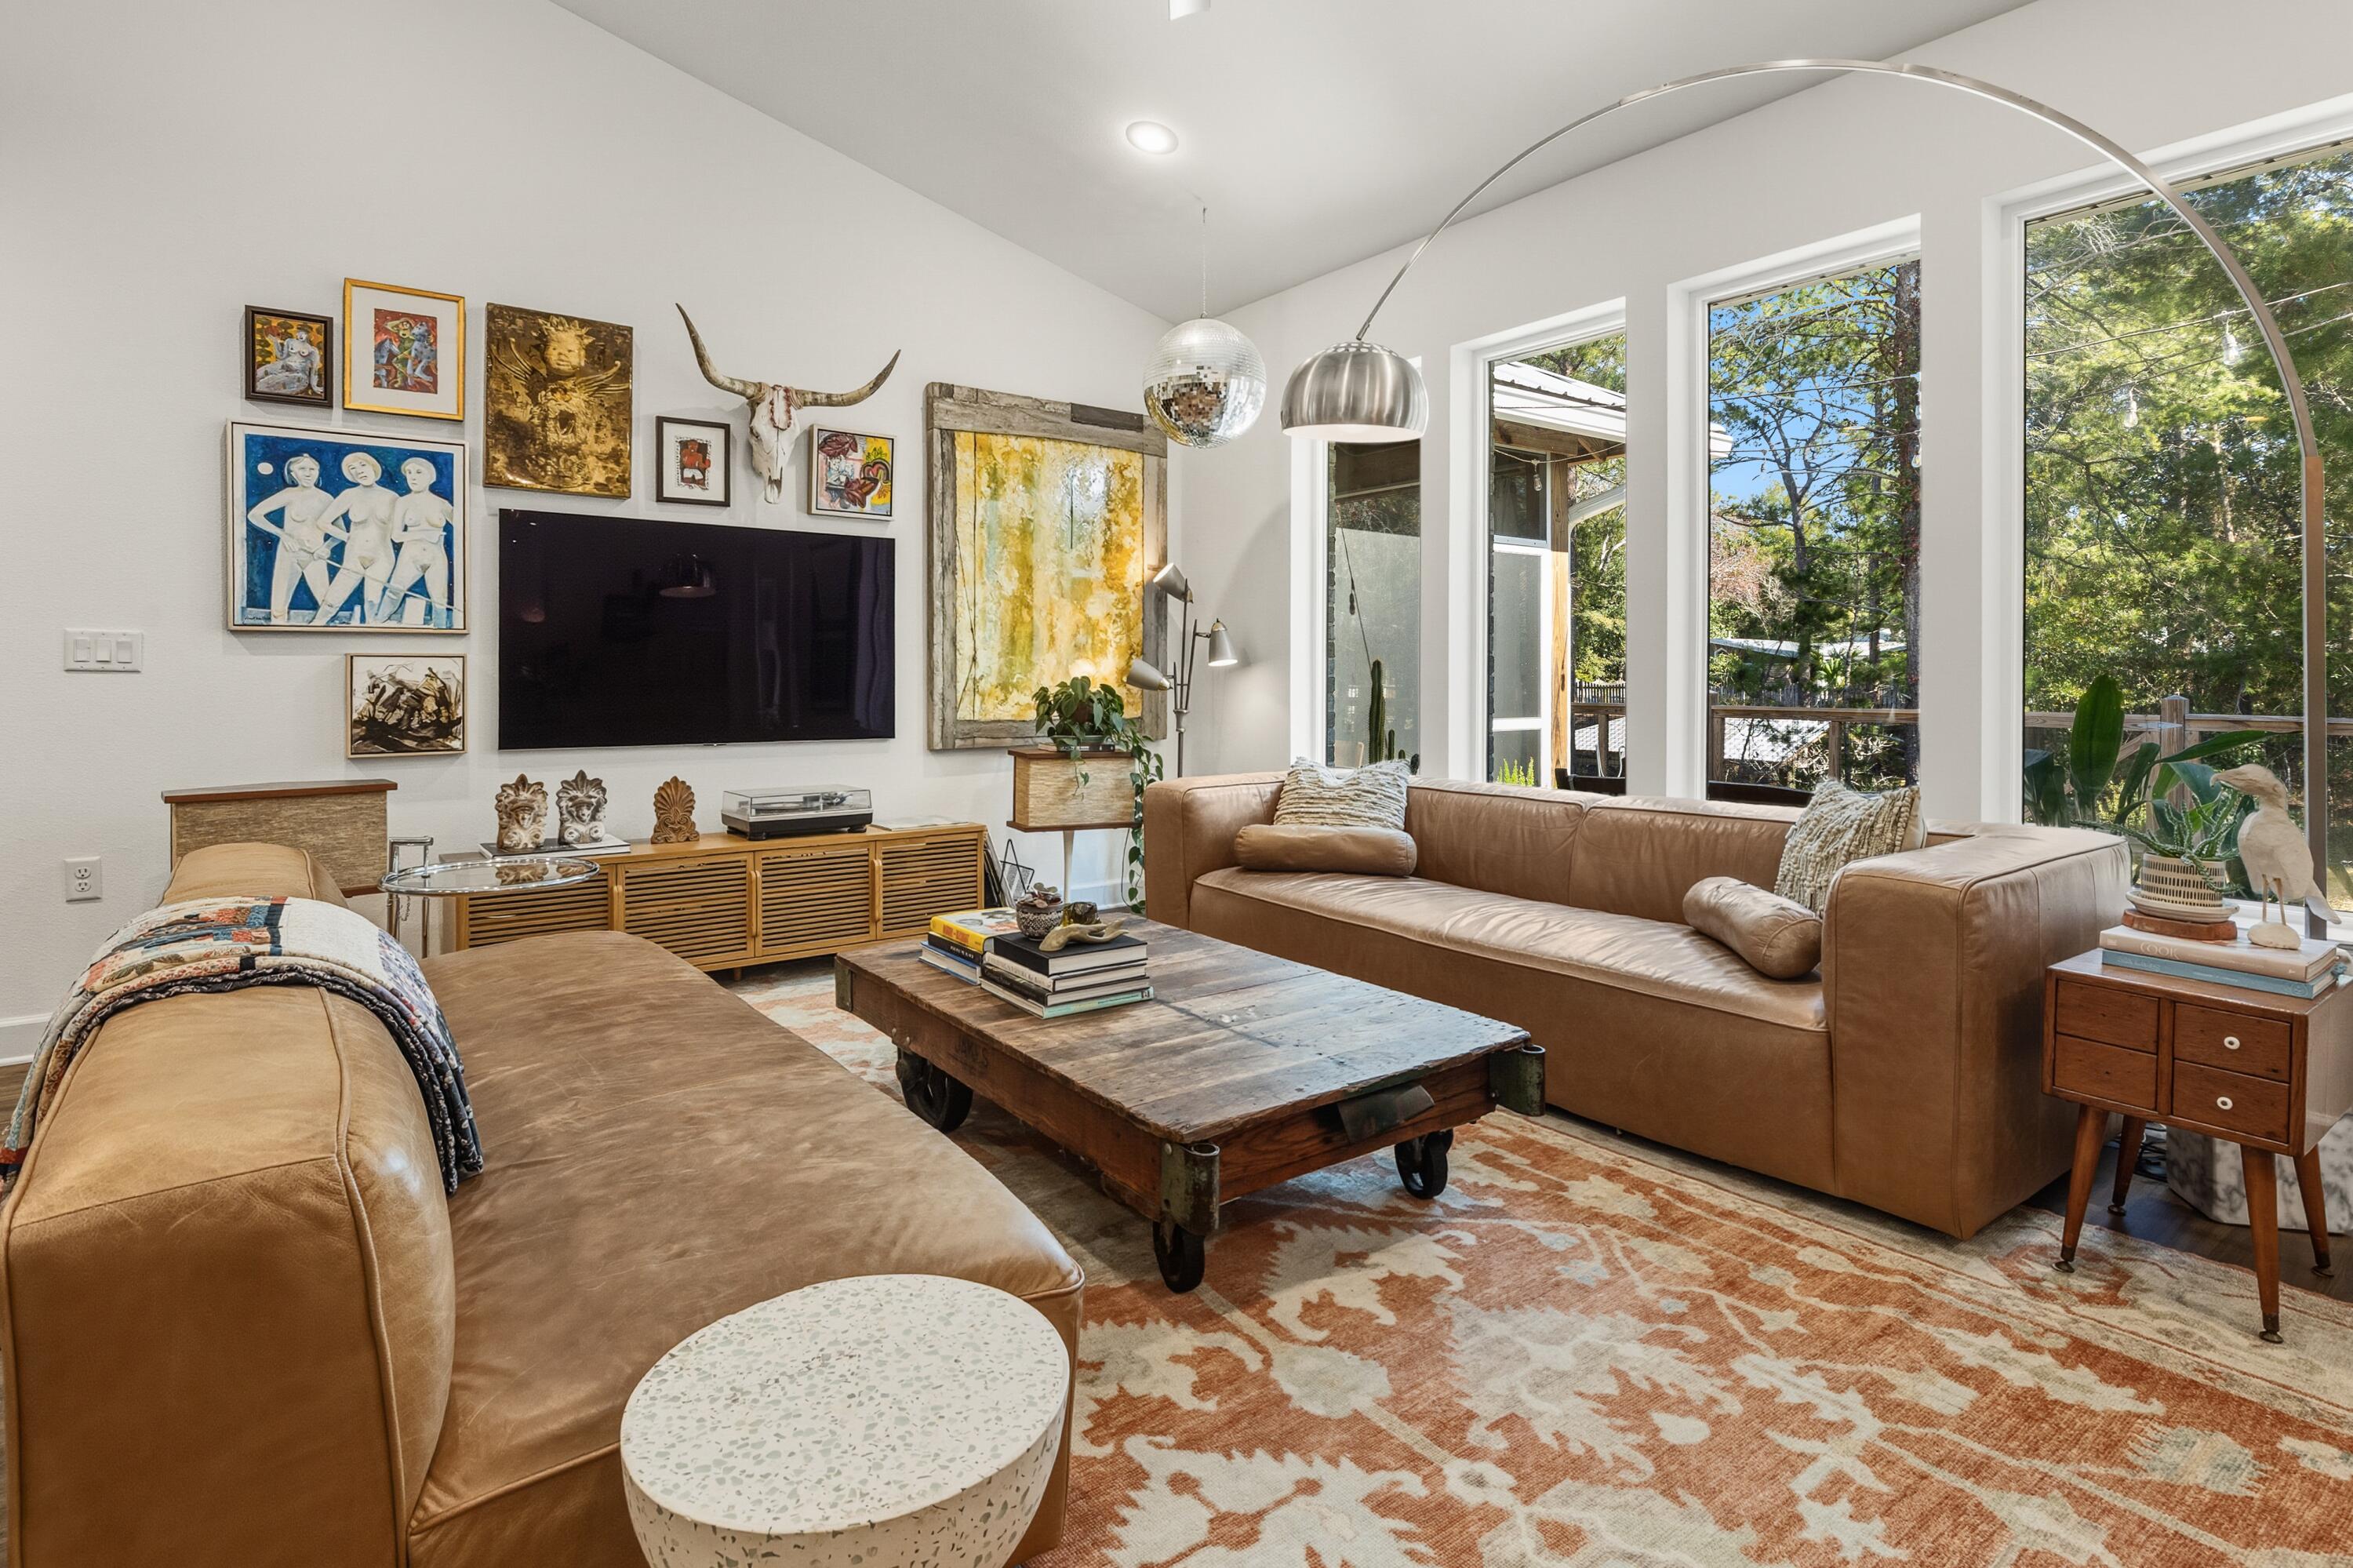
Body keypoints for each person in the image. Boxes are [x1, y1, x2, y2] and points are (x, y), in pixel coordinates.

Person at [245, 452, 345, 624]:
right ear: (293, 474)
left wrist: (326, 548)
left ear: (318, 472)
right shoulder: (289, 494)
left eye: (312, 469)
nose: (308, 473)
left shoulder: (326, 498)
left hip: (315, 556)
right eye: (302, 469)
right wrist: (283, 535)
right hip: (289, 555)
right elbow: (255, 515)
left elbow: (340, 532)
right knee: (278, 607)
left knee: (326, 604)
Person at [309, 452, 398, 624]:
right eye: (353, 469)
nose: (359, 471)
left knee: (372, 603)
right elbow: (323, 522)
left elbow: (399, 532)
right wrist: (347, 537)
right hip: (354, 556)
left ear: (373, 466)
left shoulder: (392, 497)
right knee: (332, 601)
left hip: (383, 558)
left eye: (362, 465)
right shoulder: (349, 495)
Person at [376, 457, 454, 626]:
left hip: (436, 558)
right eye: (409, 473)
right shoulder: (403, 502)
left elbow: (464, 527)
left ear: (431, 477)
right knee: (394, 592)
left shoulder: (442, 504)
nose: (413, 477)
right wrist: (423, 535)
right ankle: (376, 624)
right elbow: (396, 536)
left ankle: (441, 636)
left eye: (419, 472)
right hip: (410, 556)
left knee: (439, 600)